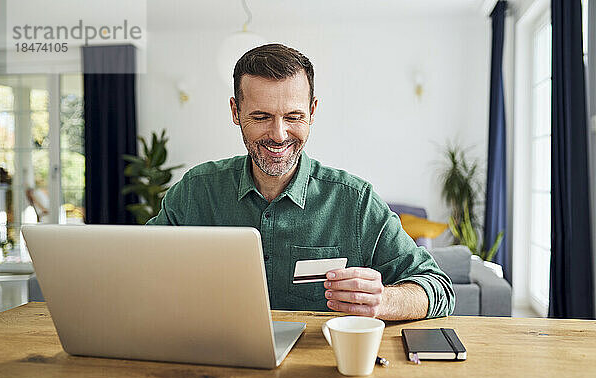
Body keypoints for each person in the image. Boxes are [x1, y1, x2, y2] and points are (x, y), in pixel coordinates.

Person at [147, 43, 455, 320]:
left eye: (293, 117)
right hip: (213, 368)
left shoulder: (355, 201)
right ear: (235, 112)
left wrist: (384, 300)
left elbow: (438, 289)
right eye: (261, 117)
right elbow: (137, 270)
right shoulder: (196, 191)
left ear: (312, 111)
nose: (279, 135)